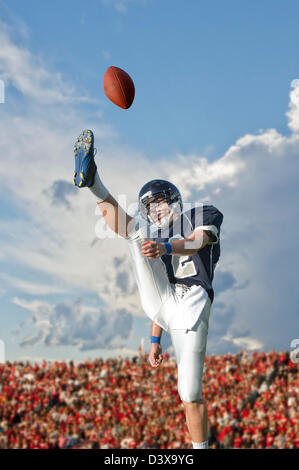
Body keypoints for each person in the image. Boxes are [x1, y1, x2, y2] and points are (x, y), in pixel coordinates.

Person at [73, 129, 224, 449]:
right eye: (150, 207)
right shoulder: (152, 234)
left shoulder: (200, 214)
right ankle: (92, 181)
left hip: (193, 302)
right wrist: (155, 340)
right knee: (136, 234)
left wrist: (166, 247)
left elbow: (199, 240)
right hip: (165, 306)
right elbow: (160, 286)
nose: (156, 210)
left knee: (190, 394)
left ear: (175, 201)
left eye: (160, 203)